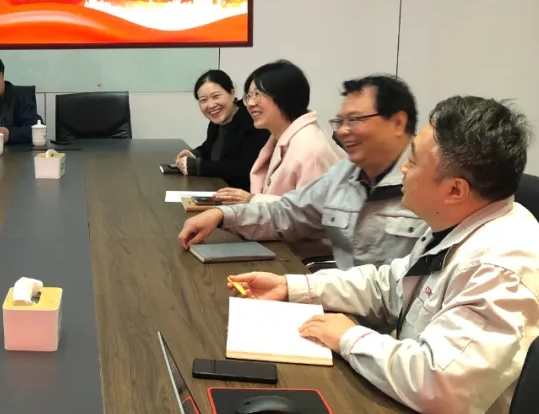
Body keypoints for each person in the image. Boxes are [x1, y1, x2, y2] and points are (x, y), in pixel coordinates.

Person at [228, 96, 539, 414]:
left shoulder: (502, 268)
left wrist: (348, 337)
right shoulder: (459, 221)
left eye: (413, 160)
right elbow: (390, 286)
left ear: (455, 190)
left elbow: (440, 383)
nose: (403, 170)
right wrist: (295, 287)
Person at [179, 75, 427, 269]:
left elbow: (399, 290)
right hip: (341, 293)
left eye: (355, 120)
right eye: (340, 122)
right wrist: (221, 215)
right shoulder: (345, 173)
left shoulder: (429, 182)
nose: (342, 132)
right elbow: (287, 213)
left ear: (398, 122)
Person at [222, 60, 344, 205]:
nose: (250, 103)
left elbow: (312, 211)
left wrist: (252, 199)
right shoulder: (281, 136)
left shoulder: (310, 147)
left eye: (257, 94)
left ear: (286, 95)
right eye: (248, 96)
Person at [172, 69, 268, 190]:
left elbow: (244, 169)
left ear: (232, 93)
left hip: (241, 194)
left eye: (216, 96)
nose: (211, 105)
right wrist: (195, 154)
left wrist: (198, 167)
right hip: (218, 189)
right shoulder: (217, 122)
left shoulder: (252, 123)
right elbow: (210, 147)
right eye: (203, 100)